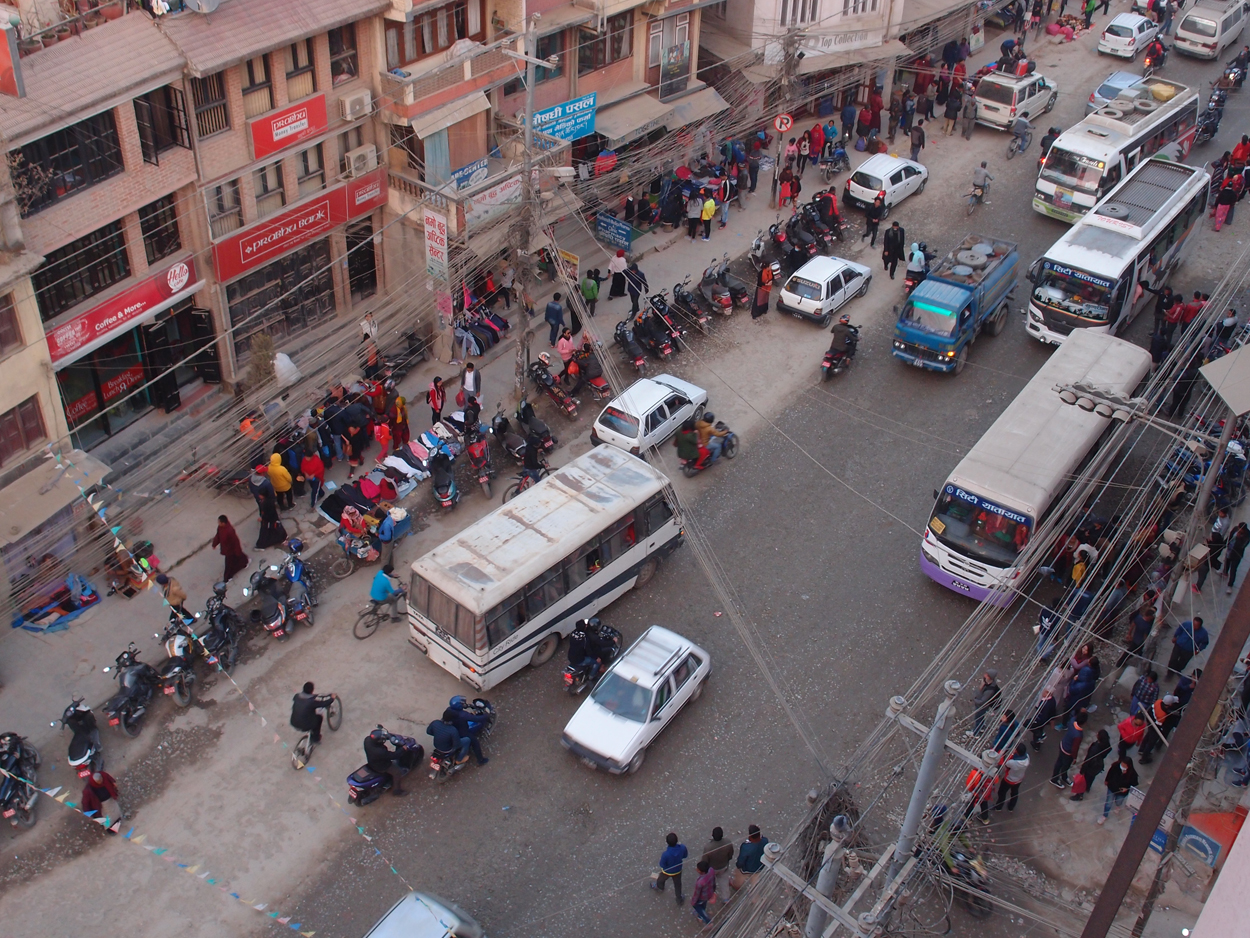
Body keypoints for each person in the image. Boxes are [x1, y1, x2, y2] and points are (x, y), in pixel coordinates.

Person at [443, 697, 489, 766]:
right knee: (475, 743)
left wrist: (467, 705)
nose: (463, 704)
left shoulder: (449, 710)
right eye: (462, 703)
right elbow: (476, 719)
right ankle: (481, 760)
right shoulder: (463, 715)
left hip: (451, 729)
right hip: (462, 732)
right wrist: (486, 715)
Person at [365, 728, 410, 796]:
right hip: (381, 766)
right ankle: (397, 791)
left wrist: (389, 736)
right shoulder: (380, 752)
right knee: (397, 773)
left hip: (372, 761)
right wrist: (403, 749)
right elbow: (394, 755)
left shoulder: (367, 740)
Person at [1072, 728, 1112, 801]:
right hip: (1098, 766)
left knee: (1084, 780)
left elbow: (1088, 760)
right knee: (1091, 778)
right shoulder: (1106, 745)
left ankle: (1079, 795)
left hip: (1091, 766)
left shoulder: (1095, 748)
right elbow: (1107, 752)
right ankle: (1087, 788)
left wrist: (1082, 770)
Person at [1050, 708, 1086, 788]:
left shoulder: (1072, 721)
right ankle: (1062, 777)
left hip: (1063, 744)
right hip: (1068, 752)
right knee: (1065, 766)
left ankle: (1055, 778)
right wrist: (1074, 758)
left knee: (1059, 762)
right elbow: (1075, 748)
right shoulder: (1078, 735)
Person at [1099, 755, 1138, 824]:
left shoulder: (1132, 774)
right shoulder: (1115, 766)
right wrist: (1107, 780)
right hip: (1112, 788)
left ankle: (1117, 806)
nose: (1122, 766)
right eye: (1121, 764)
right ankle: (1104, 816)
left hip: (1122, 792)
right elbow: (1110, 773)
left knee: (1118, 802)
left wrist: (1127, 789)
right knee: (1108, 803)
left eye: (1124, 765)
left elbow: (1134, 784)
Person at [701, 826, 736, 901]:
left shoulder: (708, 847)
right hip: (723, 866)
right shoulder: (727, 842)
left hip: (712, 869)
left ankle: (710, 895)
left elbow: (705, 860)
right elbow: (731, 854)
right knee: (724, 881)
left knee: (710, 882)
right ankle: (725, 898)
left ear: (712, 835)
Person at [212, 515, 249, 582]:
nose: (218, 523)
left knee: (228, 564)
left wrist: (238, 551)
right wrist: (214, 544)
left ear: (223, 523)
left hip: (230, 550)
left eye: (219, 522)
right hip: (227, 549)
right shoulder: (220, 528)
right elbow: (218, 536)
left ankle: (227, 578)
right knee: (237, 558)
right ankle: (245, 561)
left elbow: (235, 542)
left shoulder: (230, 531)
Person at [995, 743, 1030, 812]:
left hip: (1009, 779)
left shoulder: (1013, 763)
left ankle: (999, 807)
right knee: (1014, 793)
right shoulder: (1027, 758)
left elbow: (1006, 765)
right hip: (1019, 779)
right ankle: (1011, 807)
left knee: (1002, 792)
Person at [654, 832, 687, 904]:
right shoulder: (683, 848)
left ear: (667, 842)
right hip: (678, 870)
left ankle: (660, 888)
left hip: (667, 871)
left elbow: (662, 864)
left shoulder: (665, 854)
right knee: (678, 884)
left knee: (660, 879)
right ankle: (679, 898)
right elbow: (685, 856)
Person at [970, 669, 1001, 736]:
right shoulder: (986, 682)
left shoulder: (990, 690)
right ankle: (981, 727)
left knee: (978, 718)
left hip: (982, 706)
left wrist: (974, 700)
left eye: (987, 675)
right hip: (982, 703)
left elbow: (982, 701)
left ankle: (975, 733)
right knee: (981, 718)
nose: (984, 675)